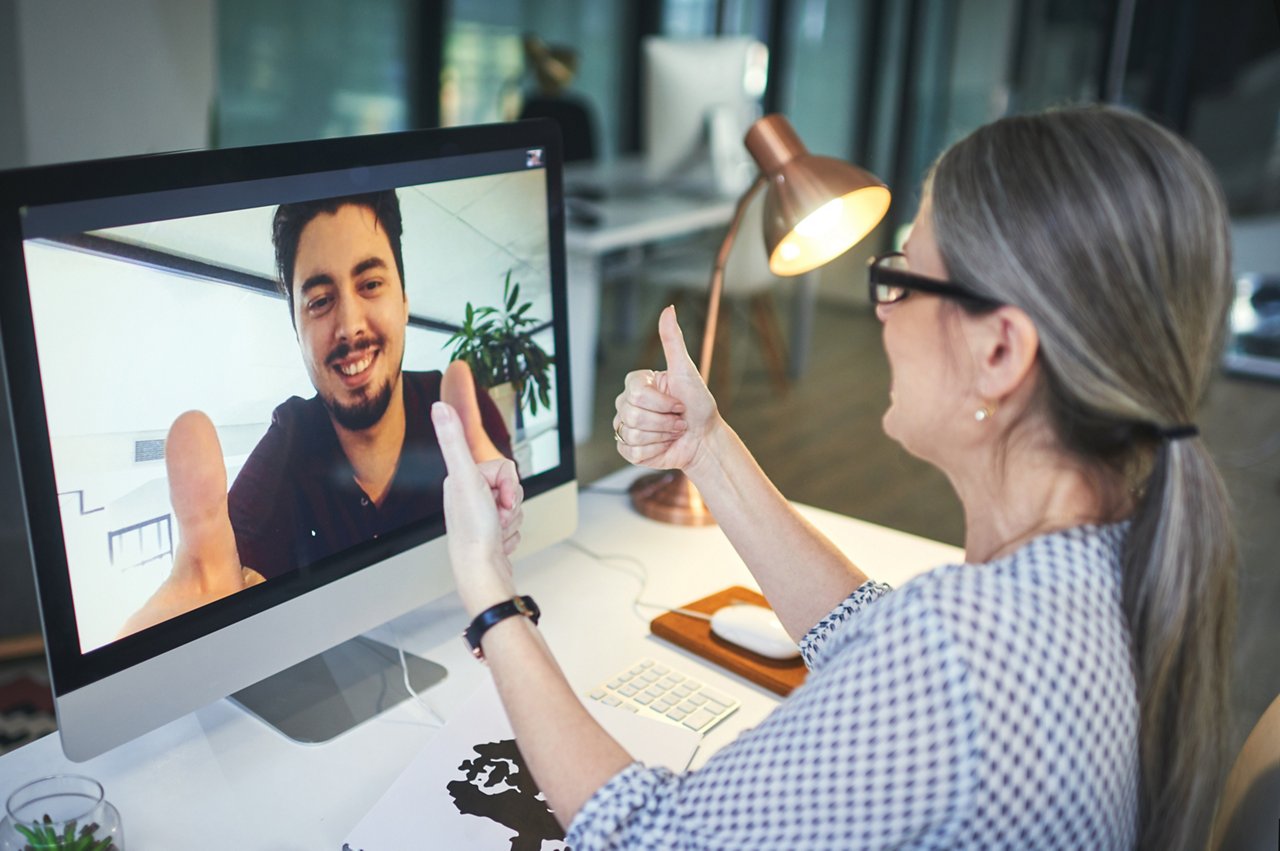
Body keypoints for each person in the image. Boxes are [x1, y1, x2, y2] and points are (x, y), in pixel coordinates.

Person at [431, 105, 1237, 851]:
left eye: (905, 279)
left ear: (1000, 352)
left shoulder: (962, 655)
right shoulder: (1111, 558)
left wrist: (488, 589)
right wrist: (706, 449)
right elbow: (871, 638)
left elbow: (641, 836)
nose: (882, 308)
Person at [120, 190, 520, 636]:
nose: (349, 326)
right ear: (297, 330)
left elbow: (513, 543)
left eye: (370, 285)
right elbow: (221, 571)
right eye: (320, 300)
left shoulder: (465, 420)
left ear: (404, 300)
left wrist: (505, 525)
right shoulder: (284, 452)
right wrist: (197, 637)